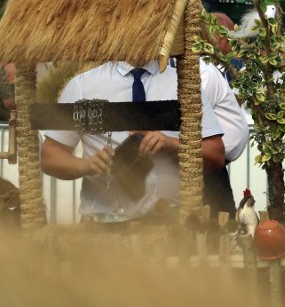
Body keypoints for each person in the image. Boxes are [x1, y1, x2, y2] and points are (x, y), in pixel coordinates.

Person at [40, 61, 225, 221]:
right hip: (106, 226)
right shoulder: (83, 86)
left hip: (172, 225)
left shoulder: (184, 84)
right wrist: (87, 165)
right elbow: (50, 156)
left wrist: (171, 144)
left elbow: (216, 155)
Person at [200, 59, 249, 218]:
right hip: (204, 162)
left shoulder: (204, 71)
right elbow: (194, 118)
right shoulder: (203, 71)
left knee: (224, 218)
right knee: (219, 220)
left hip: (212, 162)